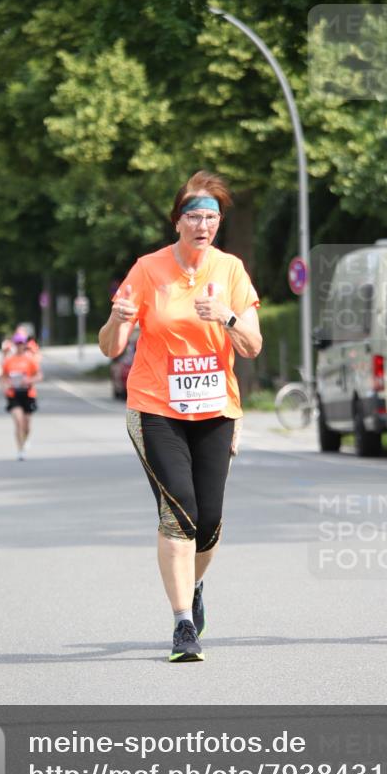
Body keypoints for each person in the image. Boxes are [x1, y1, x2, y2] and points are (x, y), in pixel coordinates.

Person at [98, 170, 262, 662]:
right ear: (177, 221)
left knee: (209, 522)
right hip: (156, 408)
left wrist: (227, 318)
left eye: (211, 217)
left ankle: (192, 586)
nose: (203, 225)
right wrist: (118, 320)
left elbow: (252, 346)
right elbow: (111, 348)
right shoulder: (147, 270)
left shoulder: (230, 270)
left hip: (216, 409)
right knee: (180, 510)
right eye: (193, 215)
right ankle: (182, 625)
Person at [1, 331, 42, 460]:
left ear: (25, 344)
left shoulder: (30, 360)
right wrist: (6, 386)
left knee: (27, 425)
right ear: (14, 344)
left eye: (21, 343)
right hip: (14, 394)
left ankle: (25, 440)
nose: (19, 346)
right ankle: (20, 449)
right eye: (17, 343)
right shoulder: (9, 361)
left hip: (28, 394)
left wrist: (29, 381)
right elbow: (4, 377)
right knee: (18, 421)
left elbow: (39, 375)